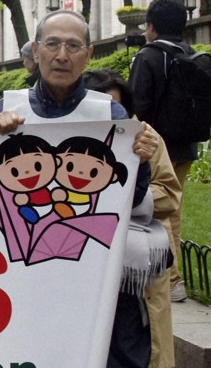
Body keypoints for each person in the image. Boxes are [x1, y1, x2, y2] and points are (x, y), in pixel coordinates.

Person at [0, 11, 162, 368]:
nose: (61, 55)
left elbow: (131, 198)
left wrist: (140, 162)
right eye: (52, 44)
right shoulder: (7, 110)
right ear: (36, 51)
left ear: (89, 54)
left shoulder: (111, 114)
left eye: (73, 45)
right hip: (23, 275)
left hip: (95, 273)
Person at [84, 69, 181, 368]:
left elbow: (169, 193)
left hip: (135, 274)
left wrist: (125, 198)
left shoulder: (146, 139)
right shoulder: (70, 143)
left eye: (119, 109)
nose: (114, 117)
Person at [129, 0, 197, 303]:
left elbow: (137, 106)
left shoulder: (148, 57)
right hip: (186, 144)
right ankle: (174, 275)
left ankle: (171, 278)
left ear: (151, 26)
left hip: (156, 147)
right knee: (174, 209)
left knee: (160, 210)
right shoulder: (190, 54)